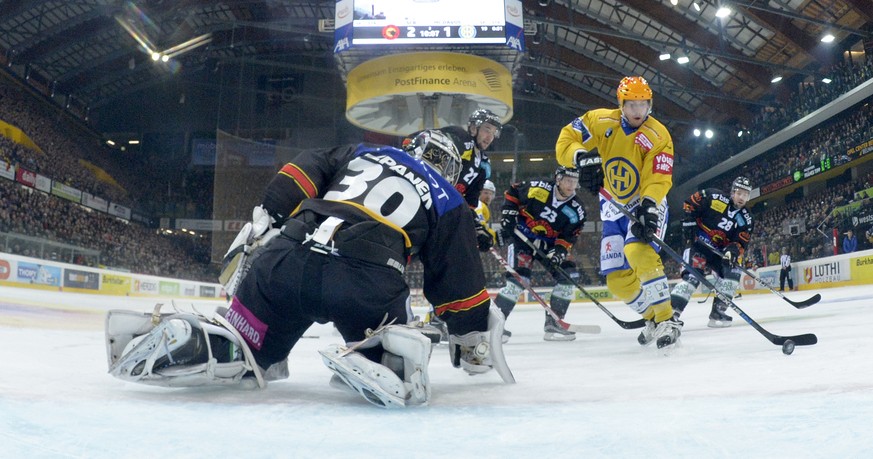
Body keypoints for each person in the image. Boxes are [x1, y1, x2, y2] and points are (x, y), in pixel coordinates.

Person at [105, 130, 513, 409]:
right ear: (451, 171)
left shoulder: (362, 151)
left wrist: (270, 212)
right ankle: (379, 358)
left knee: (249, 350)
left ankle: (206, 341)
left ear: (411, 145)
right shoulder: (449, 199)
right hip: (366, 281)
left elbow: (304, 168)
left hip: (284, 259)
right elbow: (456, 277)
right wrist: (470, 332)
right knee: (389, 338)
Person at [555, 75, 680, 349]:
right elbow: (567, 138)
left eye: (643, 104)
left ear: (650, 104)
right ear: (621, 104)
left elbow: (658, 175)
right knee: (617, 280)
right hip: (612, 207)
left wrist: (649, 205)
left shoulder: (659, 135)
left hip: (645, 202)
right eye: (632, 104)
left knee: (638, 251)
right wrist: (581, 158)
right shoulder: (600, 121)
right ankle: (652, 317)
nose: (638, 111)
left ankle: (667, 319)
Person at [494, 166, 586, 342]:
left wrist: (559, 252)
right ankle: (493, 325)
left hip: (548, 245)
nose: (571, 185)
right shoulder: (539, 188)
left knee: (568, 275)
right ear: (558, 179)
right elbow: (513, 192)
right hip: (522, 238)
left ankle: (554, 323)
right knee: (518, 280)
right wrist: (508, 213)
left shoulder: (577, 209)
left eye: (574, 182)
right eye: (568, 180)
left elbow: (569, 236)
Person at [669, 177, 755, 328]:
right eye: (739, 193)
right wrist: (689, 222)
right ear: (732, 192)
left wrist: (732, 251)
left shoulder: (746, 219)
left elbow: (741, 242)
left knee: (734, 272)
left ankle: (718, 312)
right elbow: (689, 203)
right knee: (692, 278)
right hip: (698, 246)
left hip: (718, 253)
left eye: (745, 195)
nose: (742, 198)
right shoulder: (714, 196)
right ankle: (670, 314)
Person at [475, 180, 498, 249]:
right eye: (485, 193)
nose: (488, 197)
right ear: (479, 193)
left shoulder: (481, 205)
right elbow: (480, 224)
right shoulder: (478, 204)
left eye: (491, 194)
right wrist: (492, 238)